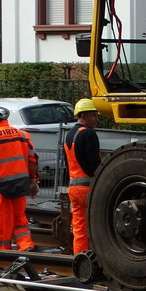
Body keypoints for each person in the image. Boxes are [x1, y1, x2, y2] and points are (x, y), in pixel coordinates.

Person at [0, 110, 39, 252]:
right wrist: (33, 181)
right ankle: (26, 245)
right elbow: (33, 159)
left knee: (2, 222)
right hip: (21, 183)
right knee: (20, 218)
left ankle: (2, 251)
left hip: (1, 187)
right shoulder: (23, 135)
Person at [62, 98, 101, 255]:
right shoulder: (88, 135)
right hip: (88, 189)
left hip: (74, 189)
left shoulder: (69, 135)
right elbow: (94, 165)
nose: (96, 120)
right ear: (83, 115)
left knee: (79, 227)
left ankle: (80, 257)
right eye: (93, 116)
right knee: (96, 226)